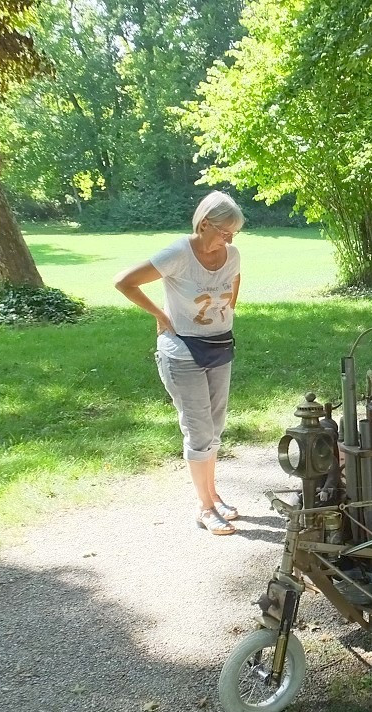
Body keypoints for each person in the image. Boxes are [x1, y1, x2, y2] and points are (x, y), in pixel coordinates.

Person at [114, 191, 245, 536]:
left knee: (215, 427)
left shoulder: (231, 254)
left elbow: (235, 278)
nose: (229, 240)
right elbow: (124, 282)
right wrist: (160, 314)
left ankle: (213, 495)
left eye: (234, 234)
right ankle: (204, 508)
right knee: (199, 430)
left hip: (220, 346)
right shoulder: (178, 253)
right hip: (183, 350)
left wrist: (228, 307)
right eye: (224, 232)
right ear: (204, 224)